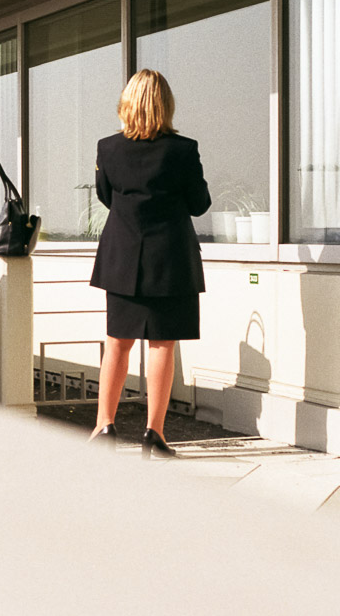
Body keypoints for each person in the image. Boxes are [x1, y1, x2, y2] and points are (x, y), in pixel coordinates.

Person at [88, 69, 211, 459]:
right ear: (166, 105)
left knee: (117, 343)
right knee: (161, 345)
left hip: (122, 257)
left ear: (127, 104)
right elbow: (199, 204)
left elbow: (107, 196)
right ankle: (153, 434)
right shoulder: (183, 150)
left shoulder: (107, 148)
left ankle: (104, 425)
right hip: (170, 259)